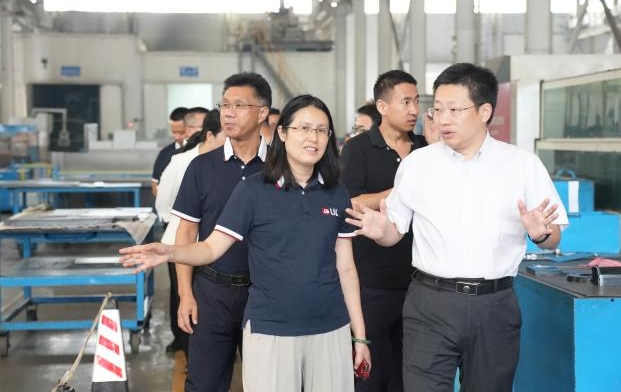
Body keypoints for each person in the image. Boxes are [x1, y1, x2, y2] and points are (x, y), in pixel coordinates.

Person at [120, 94, 371, 392]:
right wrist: (169, 252)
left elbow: (346, 269)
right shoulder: (253, 190)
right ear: (282, 133)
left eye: (321, 130)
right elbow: (211, 248)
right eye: (303, 128)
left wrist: (359, 336)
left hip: (331, 327)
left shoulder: (337, 193)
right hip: (270, 328)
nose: (312, 137)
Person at [346, 62, 568, 392]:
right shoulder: (418, 164)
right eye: (437, 109)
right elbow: (395, 230)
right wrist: (382, 232)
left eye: (454, 110)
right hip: (430, 303)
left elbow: (554, 237)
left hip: (494, 305)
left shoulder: (521, 165)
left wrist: (542, 233)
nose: (443, 119)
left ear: (484, 111)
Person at [171, 73, 271, 392]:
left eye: (239, 105)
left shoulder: (280, 168)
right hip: (213, 293)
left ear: (263, 112)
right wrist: (186, 294)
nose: (228, 113)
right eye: (225, 105)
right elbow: (187, 233)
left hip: (266, 294)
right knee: (204, 383)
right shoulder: (202, 167)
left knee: (271, 382)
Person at [340, 70, 427, 392]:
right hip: (372, 283)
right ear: (382, 106)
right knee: (370, 375)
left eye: (416, 102)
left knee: (409, 376)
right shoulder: (358, 149)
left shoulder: (426, 150)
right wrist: (399, 192)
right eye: (405, 102)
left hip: (420, 283)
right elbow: (349, 202)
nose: (414, 110)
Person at [155, 108, 225, 355]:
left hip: (214, 243)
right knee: (183, 295)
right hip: (180, 239)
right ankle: (187, 349)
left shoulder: (228, 164)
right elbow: (163, 203)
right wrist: (180, 223)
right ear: (210, 135)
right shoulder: (181, 161)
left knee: (206, 300)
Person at [151, 107, 187, 197]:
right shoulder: (164, 154)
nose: (176, 137)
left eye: (181, 133)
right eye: (174, 132)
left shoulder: (200, 151)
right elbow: (155, 187)